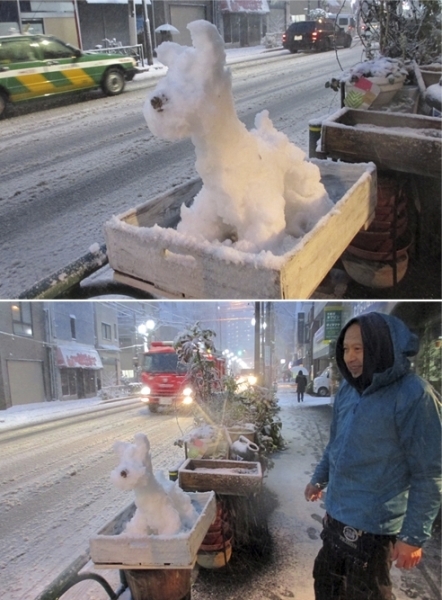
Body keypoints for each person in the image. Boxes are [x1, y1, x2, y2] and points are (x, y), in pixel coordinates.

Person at [304, 311, 441, 600]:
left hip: (375, 530)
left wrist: (413, 537)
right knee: (326, 587)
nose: (350, 357)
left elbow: (429, 473)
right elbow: (335, 445)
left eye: (359, 348)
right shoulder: (348, 392)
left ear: (382, 345)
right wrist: (319, 480)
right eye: (345, 349)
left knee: (365, 594)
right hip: (336, 517)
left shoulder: (414, 395)